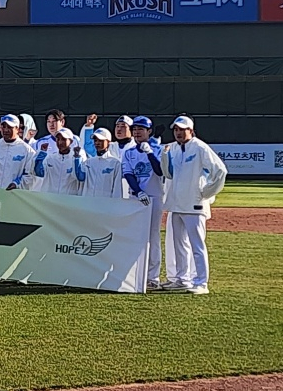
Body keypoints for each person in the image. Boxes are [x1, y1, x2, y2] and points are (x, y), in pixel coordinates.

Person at [160, 115, 226, 294]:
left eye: (182, 129)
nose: (178, 133)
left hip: (194, 206)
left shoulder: (199, 147)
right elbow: (168, 174)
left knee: (197, 245)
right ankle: (182, 279)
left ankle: (201, 283)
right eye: (176, 129)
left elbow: (220, 171)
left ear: (191, 130)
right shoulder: (172, 148)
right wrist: (165, 156)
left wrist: (205, 193)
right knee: (179, 244)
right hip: (176, 204)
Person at [121, 116, 167, 289]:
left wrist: (149, 153)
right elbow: (128, 173)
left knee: (152, 237)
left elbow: (159, 170)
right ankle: (133, 274)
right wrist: (138, 191)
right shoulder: (129, 152)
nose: (137, 132)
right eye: (135, 129)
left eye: (141, 129)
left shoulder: (158, 149)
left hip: (154, 197)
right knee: (134, 236)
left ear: (149, 131)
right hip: (136, 197)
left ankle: (152, 277)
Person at [34, 127, 86, 196]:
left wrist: (77, 159)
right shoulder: (50, 158)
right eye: (58, 139)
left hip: (68, 202)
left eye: (64, 139)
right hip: (50, 200)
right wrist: (42, 154)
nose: (60, 142)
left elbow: (80, 177)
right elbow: (39, 173)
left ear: (71, 141)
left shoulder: (77, 158)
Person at [77, 128, 126, 198]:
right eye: (95, 140)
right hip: (87, 204)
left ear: (108, 142)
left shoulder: (115, 163)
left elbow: (117, 188)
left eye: (100, 140)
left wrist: (116, 205)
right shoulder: (88, 162)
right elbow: (80, 180)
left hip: (105, 205)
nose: (97, 143)